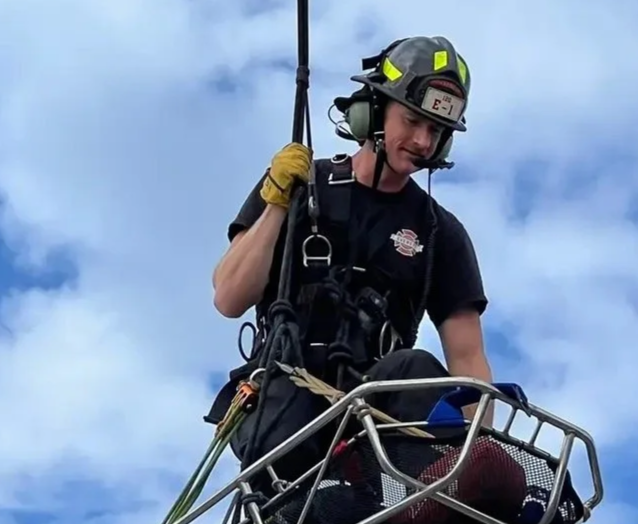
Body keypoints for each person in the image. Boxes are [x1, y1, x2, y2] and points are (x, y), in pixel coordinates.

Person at [205, 34, 494, 484]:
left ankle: (413, 511)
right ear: (374, 109)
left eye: (436, 131)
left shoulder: (441, 234)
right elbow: (228, 297)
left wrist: (483, 459)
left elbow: (468, 358)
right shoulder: (301, 185)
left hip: (375, 421)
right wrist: (279, 204)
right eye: (414, 120)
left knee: (414, 371)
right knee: (288, 417)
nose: (423, 140)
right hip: (284, 405)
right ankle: (293, 517)